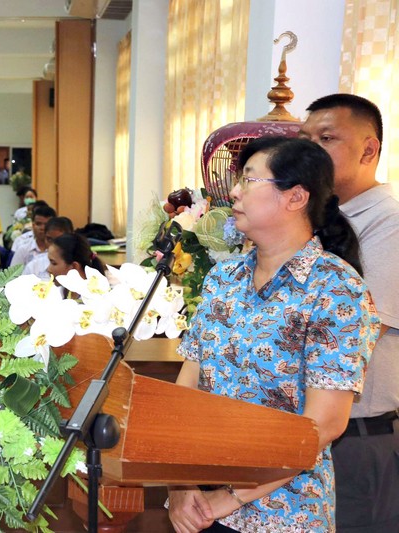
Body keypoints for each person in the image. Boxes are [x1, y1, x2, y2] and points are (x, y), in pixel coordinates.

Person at [167, 137, 381, 533]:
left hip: (282, 512)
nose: (234, 192)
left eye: (249, 180)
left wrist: (229, 498)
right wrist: (180, 484)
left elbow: (323, 425)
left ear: (296, 197)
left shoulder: (336, 289)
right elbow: (187, 390)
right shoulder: (223, 278)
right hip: (199, 504)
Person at [300, 93, 399, 532]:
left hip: (356, 440)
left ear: (368, 150)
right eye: (304, 139)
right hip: (300, 432)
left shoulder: (389, 222)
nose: (309, 150)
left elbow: (354, 330)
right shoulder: (312, 217)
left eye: (326, 138)